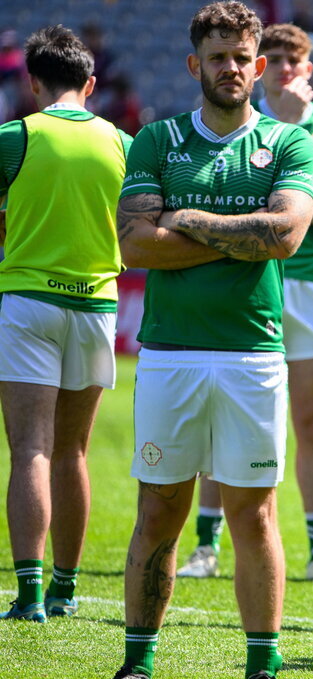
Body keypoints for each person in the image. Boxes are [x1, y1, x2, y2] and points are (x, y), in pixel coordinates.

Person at [86, 2, 313, 679]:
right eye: (218, 58)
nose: (231, 69)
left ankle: (262, 675)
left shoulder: (289, 143)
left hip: (252, 354)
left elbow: (284, 238)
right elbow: (135, 245)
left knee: (255, 517)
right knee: (159, 512)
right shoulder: (155, 140)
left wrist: (187, 218)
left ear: (259, 64)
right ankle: (135, 668)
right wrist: (236, 232)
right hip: (171, 354)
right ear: (196, 64)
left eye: (242, 58)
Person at [176, 22, 313, 585]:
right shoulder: (240, 125)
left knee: (312, 422)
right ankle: (206, 546)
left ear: (306, 68)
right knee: (219, 417)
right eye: (271, 58)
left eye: (290, 59)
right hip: (248, 276)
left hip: (308, 285)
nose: (280, 68)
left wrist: (292, 141)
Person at [0, 25, 132, 623]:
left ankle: (28, 598)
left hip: (28, 300)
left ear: (32, 83)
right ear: (91, 83)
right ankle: (66, 588)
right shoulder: (123, 142)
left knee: (30, 449)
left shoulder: (14, 136)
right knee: (73, 452)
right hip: (98, 305)